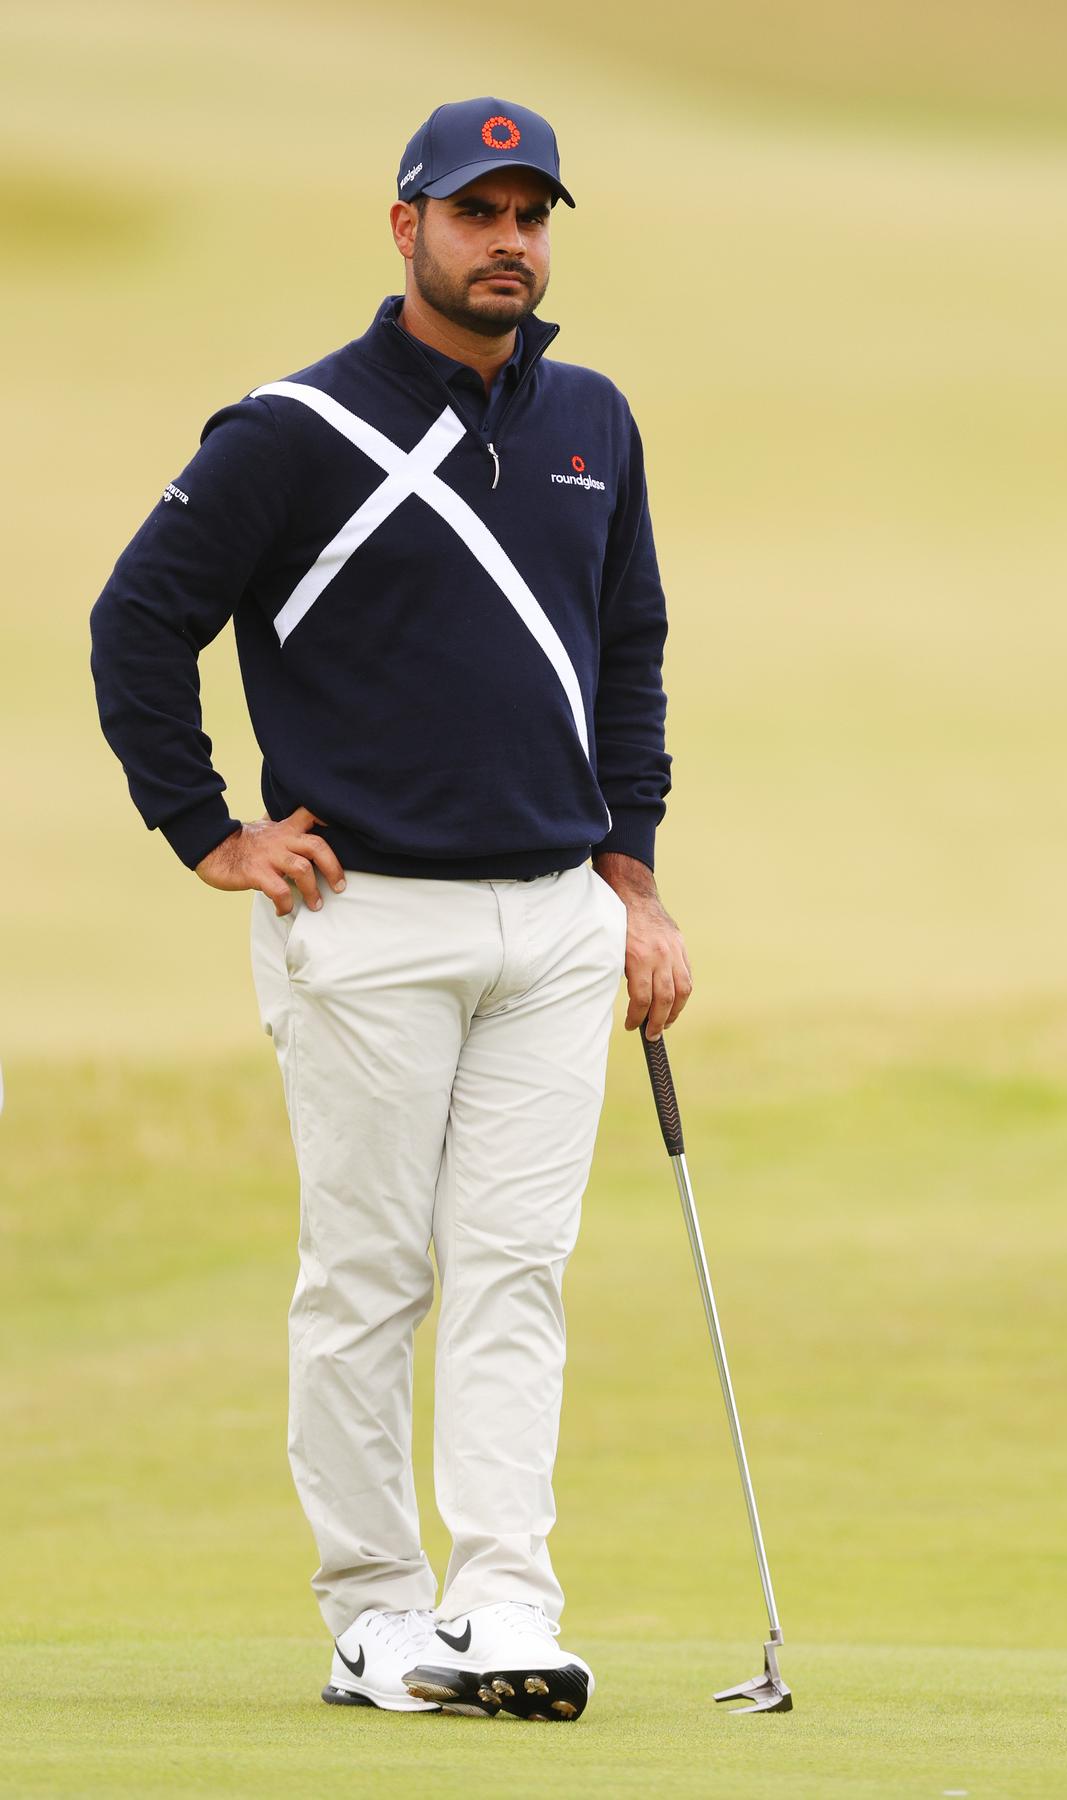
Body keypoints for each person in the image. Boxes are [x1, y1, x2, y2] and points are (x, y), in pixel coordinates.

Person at [90, 96, 691, 1723]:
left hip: (556, 919)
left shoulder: (593, 420)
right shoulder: (296, 430)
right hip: (370, 921)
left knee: (517, 1267)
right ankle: (375, 1612)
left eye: (531, 213)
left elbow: (623, 652)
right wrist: (207, 829)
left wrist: (631, 876)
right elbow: (137, 624)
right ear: (406, 226)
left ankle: (506, 1601)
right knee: (369, 1276)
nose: (509, 241)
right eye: (476, 211)